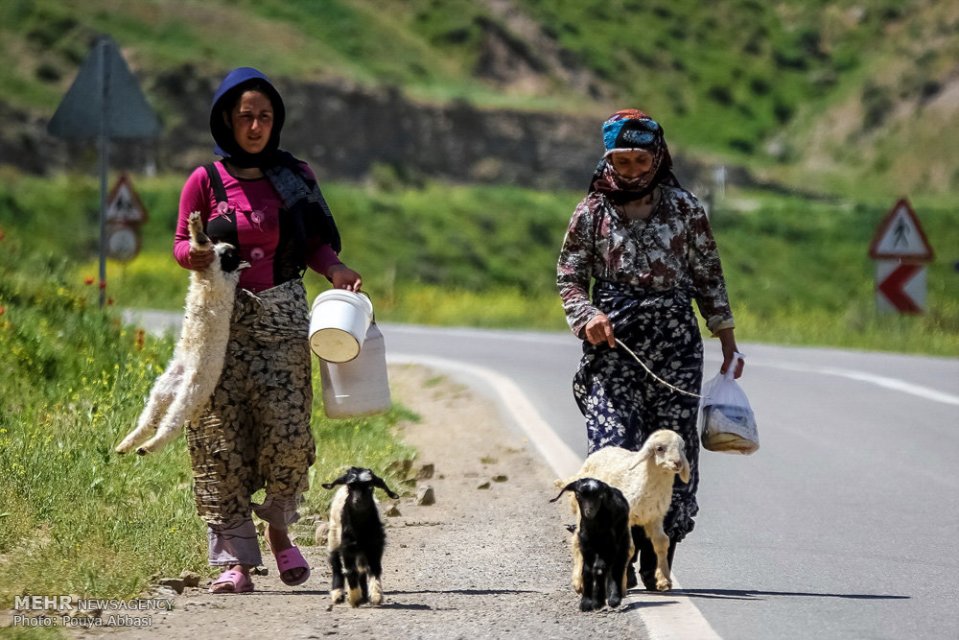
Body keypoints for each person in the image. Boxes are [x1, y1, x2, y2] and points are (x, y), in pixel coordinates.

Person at [173, 67, 362, 594]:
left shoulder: (294, 176)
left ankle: (279, 532)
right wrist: (196, 254)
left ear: (276, 121)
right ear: (226, 121)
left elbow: (315, 243)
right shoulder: (205, 180)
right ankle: (235, 562)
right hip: (219, 326)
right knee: (220, 440)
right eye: (245, 117)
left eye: (265, 116)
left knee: (288, 435)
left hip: (283, 322)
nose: (255, 126)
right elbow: (181, 244)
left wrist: (335, 270)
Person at [556, 109, 743, 589]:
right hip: (613, 345)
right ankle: (613, 551)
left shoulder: (685, 209)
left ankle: (657, 555)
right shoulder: (591, 212)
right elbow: (570, 277)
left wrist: (726, 339)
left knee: (672, 450)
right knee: (612, 446)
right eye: (623, 160)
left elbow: (708, 276)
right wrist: (587, 316)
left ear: (658, 157)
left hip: (675, 345)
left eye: (642, 160)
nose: (633, 170)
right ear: (608, 158)